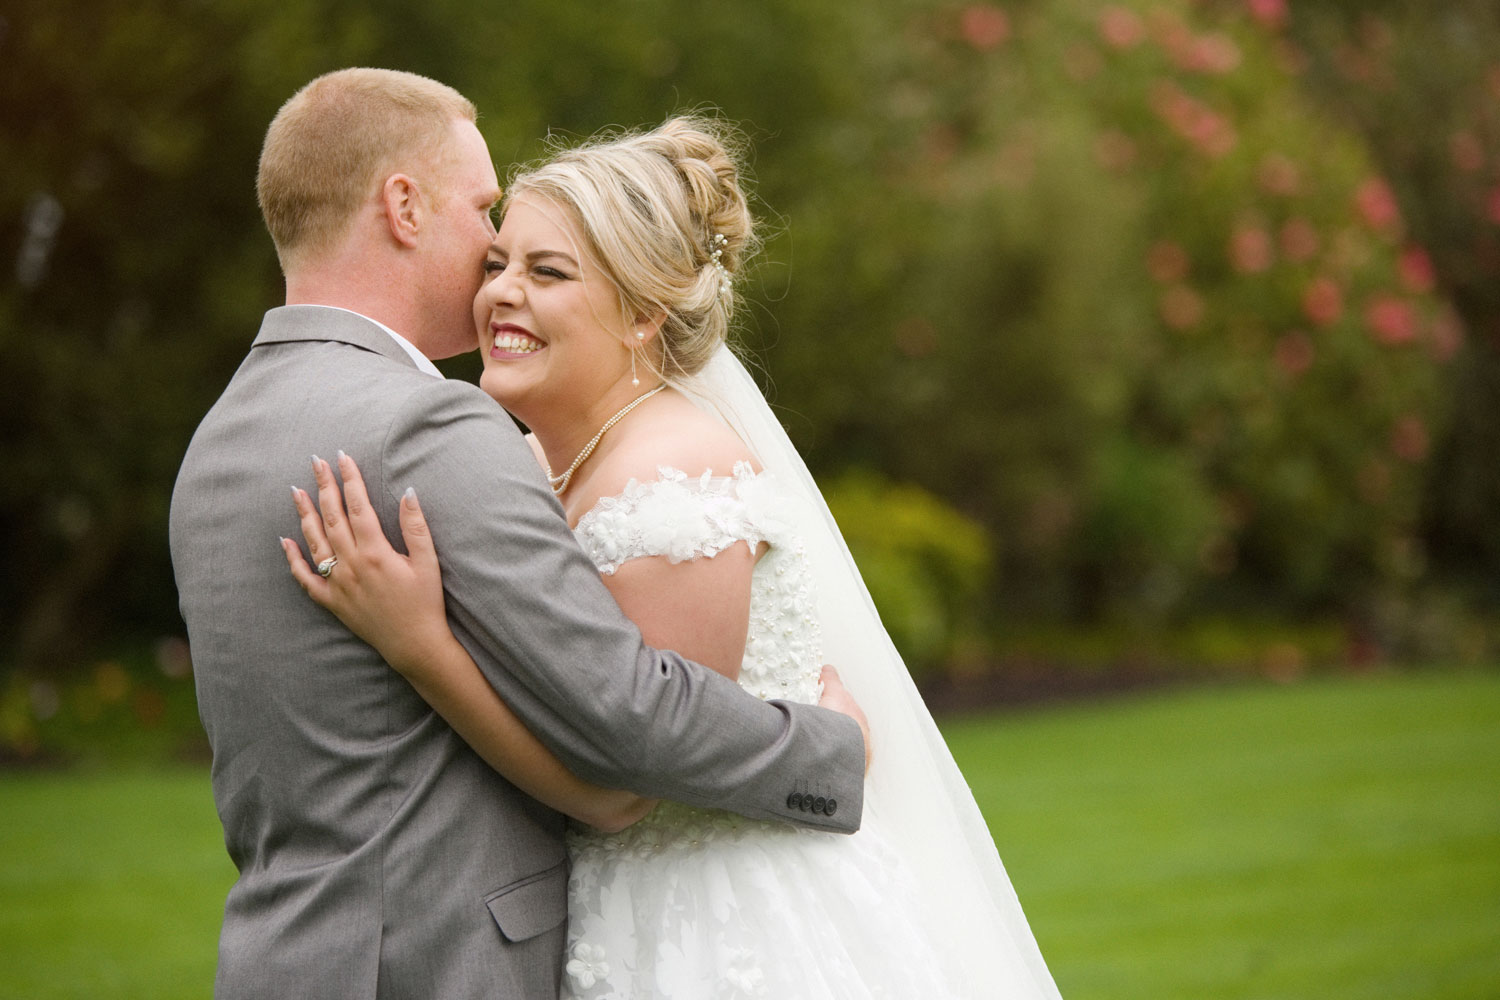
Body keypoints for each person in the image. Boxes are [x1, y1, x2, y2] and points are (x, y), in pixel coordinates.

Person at [285, 115, 1063, 998]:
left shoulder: (674, 470)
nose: (502, 293)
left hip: (726, 914)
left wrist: (421, 645)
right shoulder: (536, 460)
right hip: (611, 909)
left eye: (548, 273)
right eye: (497, 263)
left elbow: (626, 787)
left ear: (644, 316)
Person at [168, 68, 870, 1000]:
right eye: (484, 211)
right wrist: (827, 751)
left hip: (285, 960)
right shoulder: (426, 425)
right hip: (435, 964)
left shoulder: (219, 443)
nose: (491, 250)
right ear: (405, 206)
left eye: (538, 263)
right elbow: (625, 715)